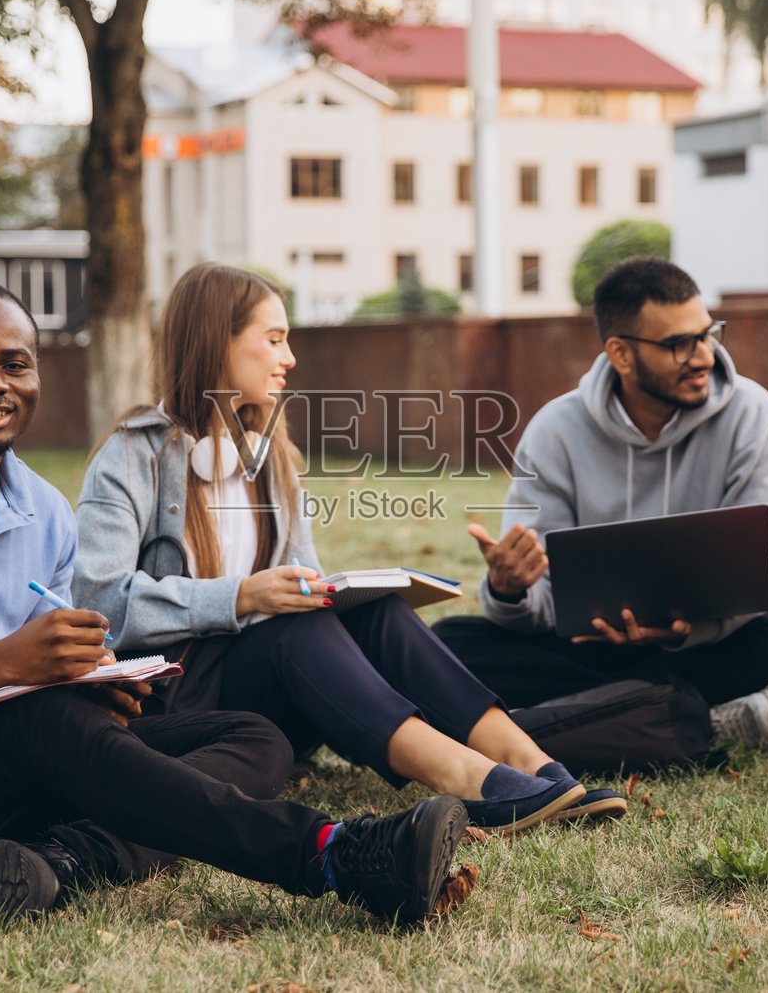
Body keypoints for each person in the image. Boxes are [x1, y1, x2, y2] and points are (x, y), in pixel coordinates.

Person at [0, 278, 475, 927]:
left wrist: (90, 677)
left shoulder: (41, 508)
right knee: (42, 722)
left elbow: (36, 677)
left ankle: (62, 859)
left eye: (14, 363)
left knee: (256, 739)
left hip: (2, 759)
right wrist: (12, 665)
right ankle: (330, 852)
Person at [72, 264, 626, 831]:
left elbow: (302, 574)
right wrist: (238, 596)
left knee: (376, 610)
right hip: (175, 698)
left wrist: (323, 590)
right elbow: (99, 604)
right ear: (216, 343)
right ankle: (469, 780)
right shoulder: (130, 457)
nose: (289, 358)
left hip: (266, 686)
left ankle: (533, 765)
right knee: (295, 630)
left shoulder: (270, 456)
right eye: (274, 339)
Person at [432, 258, 768, 765]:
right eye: (679, 344)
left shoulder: (752, 414)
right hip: (588, 648)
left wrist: (688, 629)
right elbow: (539, 604)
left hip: (705, 644)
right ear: (621, 354)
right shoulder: (555, 431)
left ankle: (553, 721)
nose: (704, 356)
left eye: (708, 334)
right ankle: (683, 714)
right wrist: (510, 589)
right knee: (449, 645)